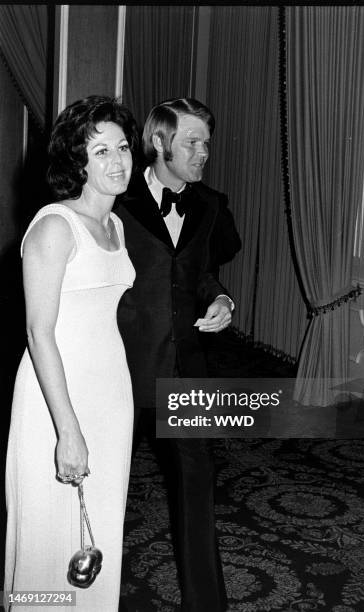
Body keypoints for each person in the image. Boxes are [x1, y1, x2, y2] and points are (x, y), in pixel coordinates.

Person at [4, 95, 138, 611]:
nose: (116, 161)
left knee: (96, 527)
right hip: (55, 400)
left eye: (122, 147)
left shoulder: (116, 225)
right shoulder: (55, 226)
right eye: (99, 150)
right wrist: (69, 430)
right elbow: (40, 334)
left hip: (110, 395)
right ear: (75, 162)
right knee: (50, 538)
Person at [115, 97, 241, 612]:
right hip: (119, 370)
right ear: (160, 142)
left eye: (207, 141)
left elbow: (196, 274)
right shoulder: (115, 197)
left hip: (185, 372)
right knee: (101, 497)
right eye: (192, 141)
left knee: (197, 493)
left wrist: (221, 299)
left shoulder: (209, 204)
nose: (203, 151)